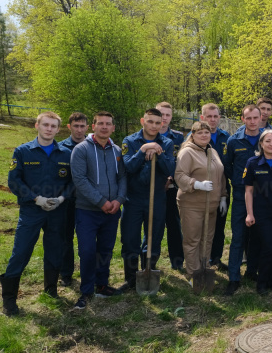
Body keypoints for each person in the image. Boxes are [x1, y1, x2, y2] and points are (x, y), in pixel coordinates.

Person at [1, 112, 74, 316]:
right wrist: (35, 198)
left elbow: (72, 182)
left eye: (53, 126)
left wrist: (61, 199)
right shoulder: (23, 152)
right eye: (45, 125)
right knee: (21, 252)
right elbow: (14, 181)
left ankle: (51, 290)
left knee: (54, 251)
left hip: (57, 211)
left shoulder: (66, 154)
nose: (49, 129)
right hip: (32, 210)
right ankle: (9, 300)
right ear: (37, 126)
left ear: (58, 129)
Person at [69, 111, 127, 310]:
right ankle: (86, 290)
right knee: (87, 251)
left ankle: (102, 284)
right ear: (93, 126)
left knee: (105, 250)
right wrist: (101, 202)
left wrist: (119, 200)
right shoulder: (81, 149)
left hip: (112, 212)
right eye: (100, 123)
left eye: (108, 124)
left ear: (113, 128)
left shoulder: (117, 151)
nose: (104, 127)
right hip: (87, 211)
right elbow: (80, 180)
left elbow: (122, 178)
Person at [119, 108, 175, 290]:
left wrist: (158, 154)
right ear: (143, 121)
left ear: (162, 124)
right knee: (129, 238)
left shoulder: (166, 143)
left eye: (158, 123)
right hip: (133, 198)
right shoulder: (130, 141)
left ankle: (148, 271)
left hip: (157, 197)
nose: (154, 126)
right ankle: (131, 278)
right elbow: (128, 167)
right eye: (150, 122)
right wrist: (143, 150)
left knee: (154, 237)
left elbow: (169, 170)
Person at [174, 121, 227, 286]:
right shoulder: (187, 152)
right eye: (200, 133)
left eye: (207, 132)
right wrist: (196, 184)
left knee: (207, 239)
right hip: (192, 204)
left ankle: (204, 269)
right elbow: (179, 175)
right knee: (193, 240)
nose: (204, 135)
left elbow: (221, 176)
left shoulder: (212, 151)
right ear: (193, 135)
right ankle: (193, 274)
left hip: (211, 205)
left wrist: (223, 196)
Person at [223, 104, 262, 295]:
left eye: (256, 118)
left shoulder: (268, 139)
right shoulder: (233, 141)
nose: (253, 121)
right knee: (238, 237)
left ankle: (253, 271)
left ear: (260, 118)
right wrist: (240, 181)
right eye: (249, 118)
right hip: (240, 196)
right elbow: (227, 166)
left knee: (258, 236)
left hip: (262, 196)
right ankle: (233, 277)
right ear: (243, 119)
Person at [244, 129, 272, 295]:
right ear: (261, 143)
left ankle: (271, 281)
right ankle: (261, 283)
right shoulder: (253, 163)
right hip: (261, 212)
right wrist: (249, 213)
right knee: (269, 246)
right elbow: (248, 191)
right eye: (268, 141)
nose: (271, 144)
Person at [199, 103, 231, 271]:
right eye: (208, 116)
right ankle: (199, 261)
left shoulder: (227, 138)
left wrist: (225, 195)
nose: (212, 119)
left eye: (215, 116)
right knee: (200, 227)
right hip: (200, 189)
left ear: (219, 118)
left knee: (218, 226)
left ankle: (216, 258)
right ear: (202, 117)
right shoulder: (193, 137)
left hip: (222, 189)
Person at [59, 112, 88, 288]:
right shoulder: (61, 148)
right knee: (65, 238)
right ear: (69, 127)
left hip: (88, 201)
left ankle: (89, 273)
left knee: (87, 239)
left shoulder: (93, 146)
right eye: (75, 126)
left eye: (82, 126)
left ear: (87, 127)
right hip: (67, 200)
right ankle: (66, 273)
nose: (79, 129)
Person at [155, 101, 185, 271]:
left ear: (171, 117)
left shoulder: (178, 137)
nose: (164, 118)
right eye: (161, 114)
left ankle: (177, 261)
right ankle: (150, 262)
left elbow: (181, 161)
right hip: (154, 187)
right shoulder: (149, 136)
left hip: (173, 187)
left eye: (167, 115)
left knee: (174, 225)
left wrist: (171, 178)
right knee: (154, 226)